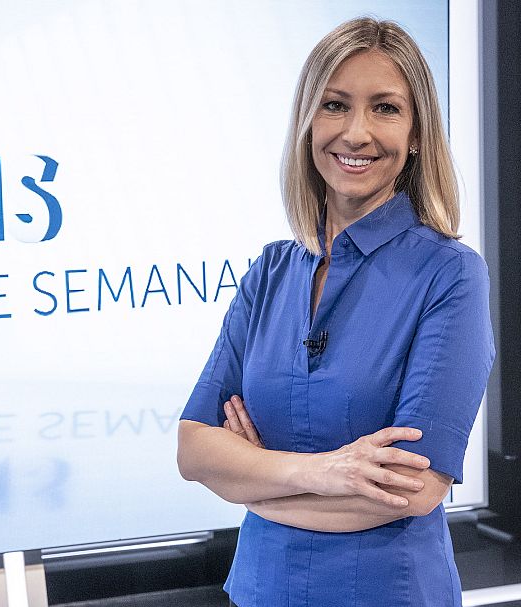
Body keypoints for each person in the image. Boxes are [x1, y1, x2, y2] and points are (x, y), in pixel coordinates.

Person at [177, 17, 494, 607]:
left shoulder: (450, 275)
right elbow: (194, 450)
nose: (356, 132)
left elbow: (414, 488)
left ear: (417, 132)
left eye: (385, 109)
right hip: (262, 588)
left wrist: (251, 477)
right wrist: (322, 472)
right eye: (335, 105)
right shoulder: (270, 272)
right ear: (308, 122)